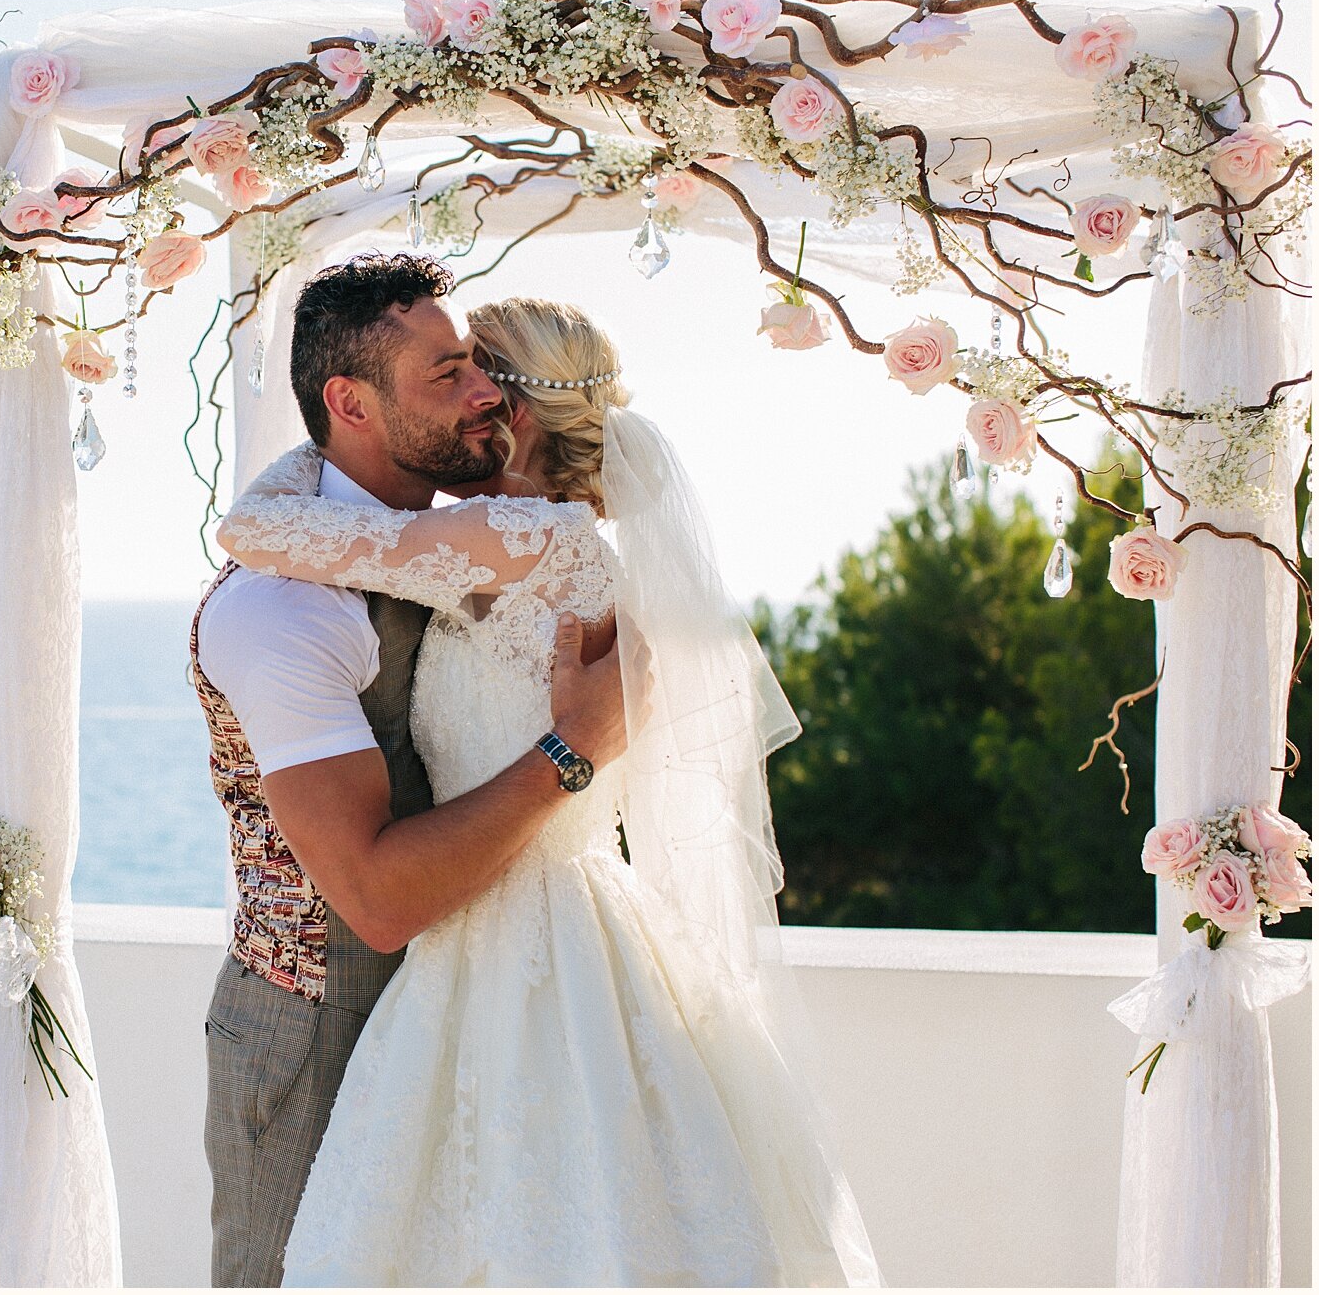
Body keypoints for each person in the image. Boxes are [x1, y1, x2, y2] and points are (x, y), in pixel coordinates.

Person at [213, 289, 883, 1285]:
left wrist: (306, 450)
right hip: (576, 912)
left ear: (509, 411)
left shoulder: (517, 540)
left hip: (495, 926)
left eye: (475, 374)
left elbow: (258, 534)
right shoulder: (569, 546)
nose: (467, 392)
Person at [188, 254, 631, 1287]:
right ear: (351, 402)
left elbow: (319, 533)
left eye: (485, 373)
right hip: (317, 1017)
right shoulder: (282, 607)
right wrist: (572, 750)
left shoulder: (484, 541)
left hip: (507, 976)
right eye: (449, 376)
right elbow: (376, 901)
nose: (478, 397)